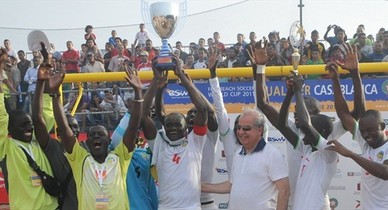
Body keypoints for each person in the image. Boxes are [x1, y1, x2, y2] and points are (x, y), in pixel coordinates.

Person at [50, 62, 143, 209]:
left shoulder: (120, 157)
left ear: (108, 140)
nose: (96, 137)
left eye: (101, 135)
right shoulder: (80, 159)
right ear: (86, 141)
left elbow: (133, 126)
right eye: (92, 135)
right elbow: (63, 127)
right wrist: (55, 94)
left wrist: (138, 92)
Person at [325, 44, 388, 209]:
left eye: (371, 130)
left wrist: (351, 154)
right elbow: (344, 114)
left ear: (382, 126)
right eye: (363, 131)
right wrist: (336, 79)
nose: (366, 134)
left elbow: (385, 173)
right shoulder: (366, 143)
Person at [0, 47, 58, 210]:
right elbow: (1, 117)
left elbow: (45, 111)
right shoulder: (6, 148)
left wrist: (46, 65)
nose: (29, 126)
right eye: (23, 124)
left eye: (29, 123)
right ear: (10, 129)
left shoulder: (37, 141)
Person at [148, 56, 209, 210]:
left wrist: (181, 75)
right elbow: (147, 116)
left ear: (186, 128)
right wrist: (157, 86)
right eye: (169, 125)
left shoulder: (195, 140)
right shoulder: (159, 141)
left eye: (177, 125)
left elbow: (202, 109)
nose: (173, 128)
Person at [202, 108, 289, 210]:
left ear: (259, 130)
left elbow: (284, 190)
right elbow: (232, 185)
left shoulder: (272, 154)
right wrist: (202, 187)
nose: (240, 132)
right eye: (239, 128)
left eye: (246, 128)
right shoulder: (238, 153)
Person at [32, 43, 78, 209]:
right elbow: (39, 119)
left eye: (74, 126)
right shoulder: (53, 148)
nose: (69, 130)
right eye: (66, 126)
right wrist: (42, 83)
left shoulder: (90, 150)